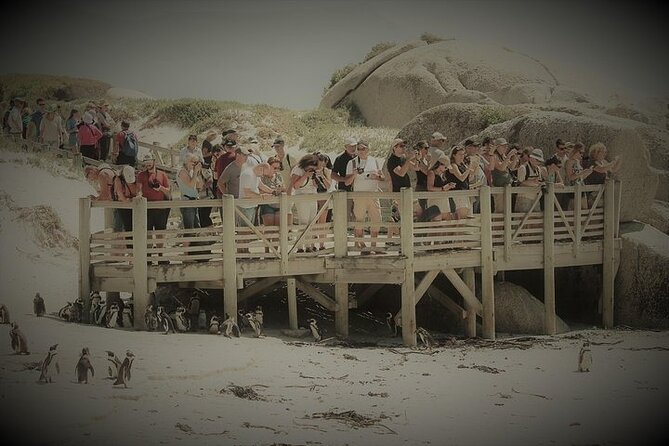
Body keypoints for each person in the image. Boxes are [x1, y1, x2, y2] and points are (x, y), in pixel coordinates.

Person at [345, 141, 385, 254]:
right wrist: (354, 174)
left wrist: (377, 176)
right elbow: (347, 183)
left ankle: (374, 246)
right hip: (359, 195)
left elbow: (383, 177)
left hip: (374, 194)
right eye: (359, 149)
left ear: (368, 149)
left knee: (377, 219)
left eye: (364, 149)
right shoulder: (352, 163)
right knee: (359, 220)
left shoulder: (375, 161)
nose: (361, 151)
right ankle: (362, 245)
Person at [136, 153, 172, 264]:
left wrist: (160, 188)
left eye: (149, 162)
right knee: (148, 233)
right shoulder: (141, 175)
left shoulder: (162, 174)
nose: (147, 164)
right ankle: (148, 257)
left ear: (154, 161)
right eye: (145, 162)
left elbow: (168, 191)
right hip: (147, 208)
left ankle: (161, 256)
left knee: (160, 232)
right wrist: (139, 196)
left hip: (160, 208)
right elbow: (139, 190)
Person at [289, 154, 320, 252]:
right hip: (302, 198)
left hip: (312, 197)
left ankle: (309, 245)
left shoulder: (313, 172)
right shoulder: (298, 170)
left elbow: (316, 186)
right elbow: (295, 185)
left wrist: (315, 177)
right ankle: (299, 246)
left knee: (311, 223)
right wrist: (305, 175)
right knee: (303, 222)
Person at [445, 146, 475, 219]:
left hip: (465, 192)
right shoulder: (453, 165)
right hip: (458, 192)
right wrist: (468, 169)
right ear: (454, 155)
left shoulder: (462, 165)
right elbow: (461, 178)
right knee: (461, 216)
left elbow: (468, 178)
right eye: (460, 154)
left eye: (463, 154)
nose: (462, 156)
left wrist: (473, 167)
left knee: (467, 215)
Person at [515, 148, 547, 213]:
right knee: (523, 220)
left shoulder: (538, 169)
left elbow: (539, 181)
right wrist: (531, 182)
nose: (538, 162)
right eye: (537, 160)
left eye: (539, 161)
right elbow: (519, 183)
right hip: (524, 198)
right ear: (531, 158)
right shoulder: (523, 168)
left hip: (535, 198)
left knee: (535, 220)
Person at [177, 153, 203, 231]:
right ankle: (189, 243)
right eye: (193, 161)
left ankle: (195, 243)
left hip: (194, 201)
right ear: (186, 161)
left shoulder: (191, 171)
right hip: (187, 202)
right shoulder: (182, 171)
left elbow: (200, 186)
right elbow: (191, 185)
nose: (194, 164)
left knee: (197, 227)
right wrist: (195, 172)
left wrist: (199, 172)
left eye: (196, 162)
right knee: (189, 229)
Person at [564, 142, 594, 210]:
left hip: (581, 187)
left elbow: (580, 177)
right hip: (573, 188)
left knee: (584, 210)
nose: (581, 154)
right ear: (575, 151)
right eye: (580, 152)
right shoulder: (569, 161)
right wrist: (582, 173)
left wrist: (587, 173)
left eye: (582, 153)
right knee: (575, 212)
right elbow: (570, 177)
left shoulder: (578, 162)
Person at [259, 156, 286, 226]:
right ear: (268, 166)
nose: (276, 170)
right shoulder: (262, 177)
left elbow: (284, 188)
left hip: (279, 204)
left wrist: (281, 190)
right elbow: (260, 191)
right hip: (267, 204)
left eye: (278, 168)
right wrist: (272, 192)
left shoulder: (279, 176)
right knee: (269, 229)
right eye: (275, 168)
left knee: (278, 229)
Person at [413, 140, 431, 210]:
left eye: (428, 148)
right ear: (420, 149)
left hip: (427, 186)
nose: (427, 150)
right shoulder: (418, 161)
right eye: (425, 148)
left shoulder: (425, 160)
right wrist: (429, 162)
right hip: (421, 187)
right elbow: (428, 172)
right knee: (424, 209)